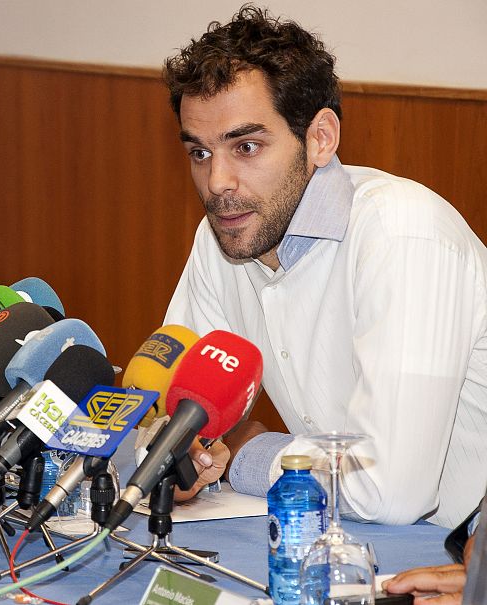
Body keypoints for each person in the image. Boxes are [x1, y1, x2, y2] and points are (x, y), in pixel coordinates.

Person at [161, 5, 487, 527]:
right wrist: (184, 461)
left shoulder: (403, 232)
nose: (217, 182)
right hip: (354, 544)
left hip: (462, 556)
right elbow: (173, 412)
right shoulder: (224, 232)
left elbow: (390, 492)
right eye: (199, 153)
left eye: (246, 146)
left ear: (320, 138)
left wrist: (247, 449)